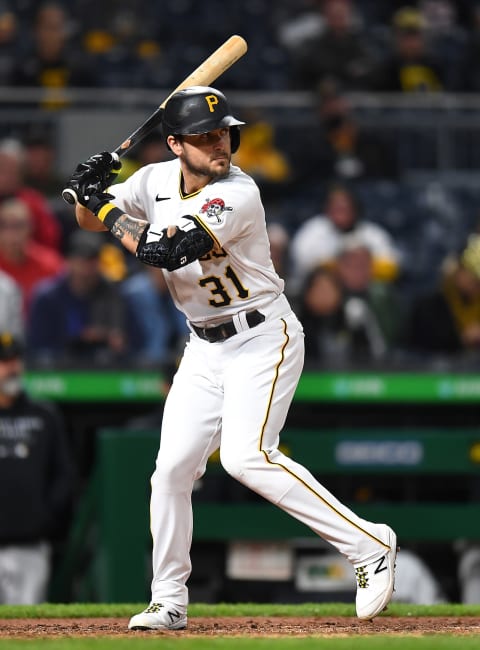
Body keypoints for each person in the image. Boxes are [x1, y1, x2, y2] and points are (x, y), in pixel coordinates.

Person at [64, 85, 397, 630]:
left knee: (247, 458)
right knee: (170, 471)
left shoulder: (238, 193)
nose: (220, 144)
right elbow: (90, 222)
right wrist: (87, 190)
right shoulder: (151, 181)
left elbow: (162, 250)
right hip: (202, 346)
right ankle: (168, 600)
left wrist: (98, 199)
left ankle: (368, 545)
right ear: (174, 143)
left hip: (263, 336)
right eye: (204, 136)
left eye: (224, 133)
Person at [0, 332, 74, 604]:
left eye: (16, 360)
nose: (13, 368)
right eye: (4, 361)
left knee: (28, 629)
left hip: (30, 546)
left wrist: (44, 516)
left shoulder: (44, 416)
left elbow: (64, 475)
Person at [27, 229, 129, 366]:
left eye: (92, 260)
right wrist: (78, 337)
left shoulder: (112, 294)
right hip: (58, 368)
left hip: (102, 369)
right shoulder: (47, 297)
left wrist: (108, 337)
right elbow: (38, 346)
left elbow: (123, 341)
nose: (86, 269)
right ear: (68, 261)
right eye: (81, 260)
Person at [290, 183, 401, 294]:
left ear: (355, 209)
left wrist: (357, 268)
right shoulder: (313, 231)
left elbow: (391, 266)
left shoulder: (372, 233)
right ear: (327, 209)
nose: (340, 214)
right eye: (336, 209)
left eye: (345, 209)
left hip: (366, 290)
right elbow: (302, 266)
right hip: (325, 290)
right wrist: (339, 268)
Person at [0, 197, 64, 318]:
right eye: (3, 225)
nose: (10, 233)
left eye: (18, 226)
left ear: (31, 227)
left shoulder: (50, 264)